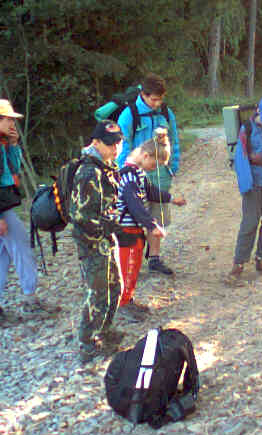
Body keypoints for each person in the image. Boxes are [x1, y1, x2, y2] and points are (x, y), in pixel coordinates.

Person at [0, 99, 56, 325]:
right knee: (22, 249)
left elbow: (13, 169)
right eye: (8, 119)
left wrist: (14, 144)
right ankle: (30, 302)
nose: (12, 123)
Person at [70, 120, 125, 364]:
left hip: (105, 238)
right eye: (110, 143)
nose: (115, 148)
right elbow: (80, 216)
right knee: (98, 292)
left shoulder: (107, 166)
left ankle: (105, 329)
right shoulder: (88, 172)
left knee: (115, 287)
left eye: (118, 142)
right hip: (91, 242)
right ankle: (87, 342)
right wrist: (106, 226)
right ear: (96, 142)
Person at [116, 131, 186, 319]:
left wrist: (171, 198)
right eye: (154, 165)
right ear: (145, 156)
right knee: (127, 267)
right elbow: (134, 205)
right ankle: (122, 303)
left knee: (135, 266)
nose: (154, 169)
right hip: (125, 229)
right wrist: (152, 225)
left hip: (135, 229)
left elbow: (150, 192)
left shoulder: (138, 172)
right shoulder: (128, 176)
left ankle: (128, 299)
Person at [116, 73, 181, 275]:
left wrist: (173, 166)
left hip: (161, 174)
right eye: (154, 99)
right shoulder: (129, 115)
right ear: (143, 95)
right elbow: (122, 146)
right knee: (133, 215)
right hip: (136, 173)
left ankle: (154, 258)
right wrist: (124, 172)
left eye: (160, 99)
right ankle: (129, 260)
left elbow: (174, 140)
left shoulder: (166, 113)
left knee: (158, 215)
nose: (157, 103)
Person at [225, 95, 262, 287]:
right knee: (249, 224)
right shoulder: (247, 129)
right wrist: (246, 186)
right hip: (254, 184)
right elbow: (241, 158)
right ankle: (238, 264)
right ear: (258, 111)